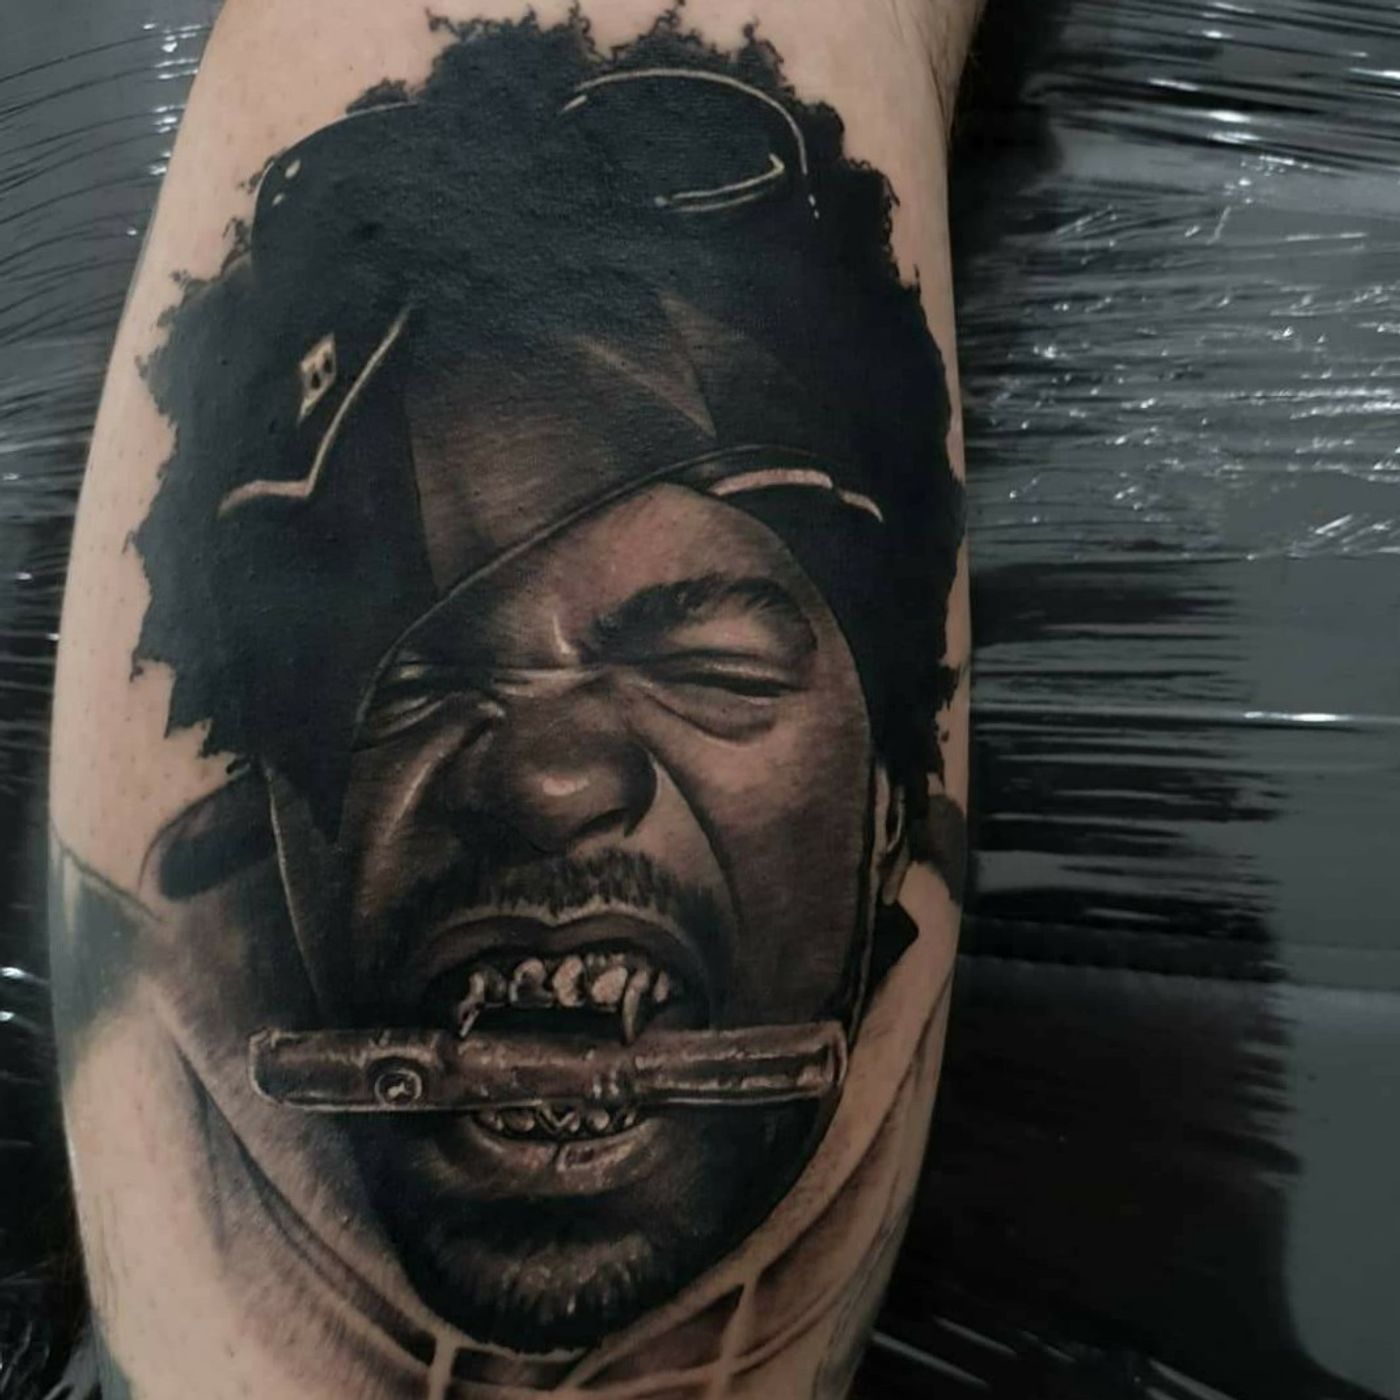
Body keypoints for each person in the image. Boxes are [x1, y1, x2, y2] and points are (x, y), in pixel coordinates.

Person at [50, 5, 978, 1397]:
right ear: (268, 810)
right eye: (409, 686)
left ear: (896, 797)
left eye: (708, 670)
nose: (546, 777)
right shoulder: (165, 1075)